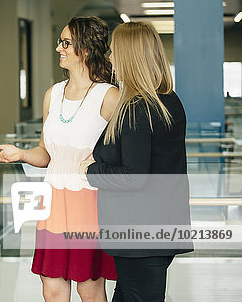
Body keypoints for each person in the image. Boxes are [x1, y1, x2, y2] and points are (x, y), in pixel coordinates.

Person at [0, 16, 119, 302]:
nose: (58, 48)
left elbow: (123, 154)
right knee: (51, 287)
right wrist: (20, 154)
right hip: (53, 202)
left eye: (66, 43)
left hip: (90, 202)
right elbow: (46, 154)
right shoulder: (53, 94)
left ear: (85, 49)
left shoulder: (109, 96)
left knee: (90, 288)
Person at [81, 21, 193, 302]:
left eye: (114, 52)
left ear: (129, 57)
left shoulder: (136, 108)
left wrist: (93, 170)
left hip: (138, 234)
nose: (109, 59)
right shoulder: (169, 101)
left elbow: (134, 176)